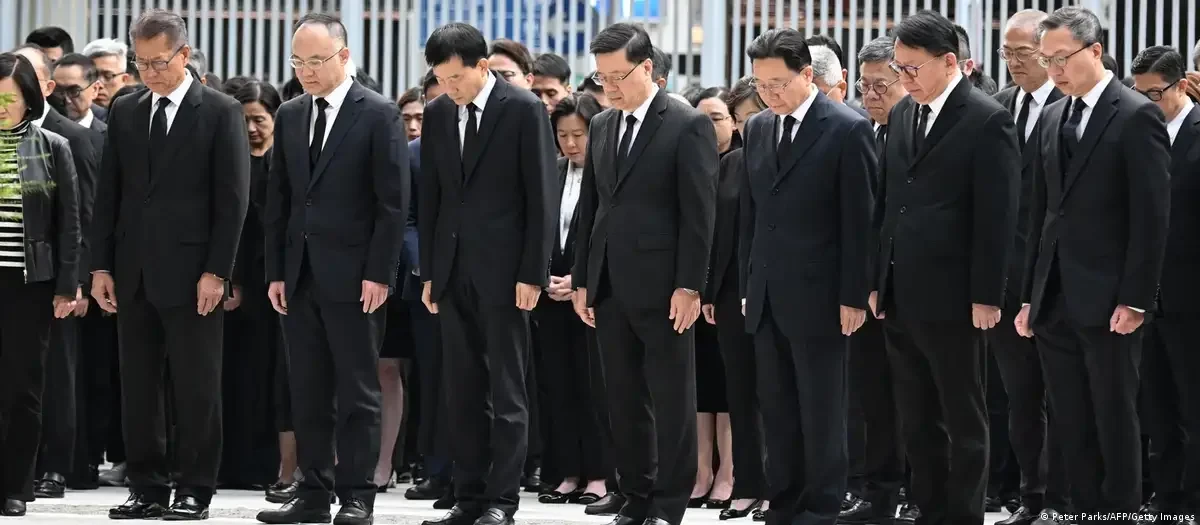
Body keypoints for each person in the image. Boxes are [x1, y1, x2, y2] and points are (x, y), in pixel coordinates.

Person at [88, 9, 251, 520]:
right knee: (138, 387)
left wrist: (217, 271)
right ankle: (147, 486)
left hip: (194, 273)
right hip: (132, 270)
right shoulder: (127, 109)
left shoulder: (221, 110)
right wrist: (100, 267)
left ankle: (195, 489)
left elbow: (232, 200)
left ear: (184, 54)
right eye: (140, 63)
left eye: (159, 62)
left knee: (196, 387)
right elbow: (109, 194)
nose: (150, 73)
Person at [1014, 7, 1171, 521]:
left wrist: (1136, 299)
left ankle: (1119, 511)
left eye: (1063, 58)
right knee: (1069, 418)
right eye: (1047, 60)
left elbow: (1151, 217)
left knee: (1114, 415)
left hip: (1110, 299)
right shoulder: (1053, 115)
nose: (1055, 70)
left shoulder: (1135, 114)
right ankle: (1082, 510)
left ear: (1096, 51)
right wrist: (1029, 295)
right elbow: (1040, 214)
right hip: (1055, 296)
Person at [255, 13, 408, 525]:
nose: (306, 71)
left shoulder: (378, 113)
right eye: (297, 62)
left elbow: (392, 202)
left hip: (356, 275)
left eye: (316, 61)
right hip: (299, 275)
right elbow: (280, 200)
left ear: (344, 56)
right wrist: (277, 271)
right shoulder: (291, 113)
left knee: (359, 389)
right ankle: (313, 493)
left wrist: (380, 272)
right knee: (309, 389)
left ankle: (358, 494)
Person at [870, 10, 1020, 525]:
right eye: (899, 67)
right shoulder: (904, 114)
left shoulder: (986, 119)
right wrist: (878, 279)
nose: (904, 78)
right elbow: (888, 202)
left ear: (950, 61)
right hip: (901, 291)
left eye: (912, 68)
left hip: (956, 296)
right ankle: (929, 509)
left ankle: (963, 514)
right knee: (917, 418)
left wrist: (988, 294)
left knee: (963, 417)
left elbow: (998, 217)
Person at [572, 22, 718, 525]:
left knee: (672, 399)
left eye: (619, 75)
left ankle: (668, 504)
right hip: (610, 283)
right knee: (622, 398)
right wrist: (584, 279)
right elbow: (592, 209)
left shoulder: (686, 123)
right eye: (602, 76)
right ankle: (634, 495)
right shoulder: (601, 125)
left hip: (665, 286)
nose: (609, 86)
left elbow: (699, 215)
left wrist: (690, 285)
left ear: (648, 68)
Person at [416, 21, 558, 525]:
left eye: (456, 78)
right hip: (452, 271)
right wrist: (430, 272)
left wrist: (533, 272)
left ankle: (503, 500)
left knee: (507, 391)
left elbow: (540, 195)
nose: (448, 87)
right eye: (440, 78)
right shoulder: (438, 113)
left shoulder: (521, 108)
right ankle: (469, 496)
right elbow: (431, 198)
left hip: (506, 273)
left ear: (481, 66)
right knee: (462, 389)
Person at [740, 28, 875, 525]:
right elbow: (752, 217)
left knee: (821, 410)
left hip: (822, 296)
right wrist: (749, 285)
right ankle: (784, 502)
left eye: (777, 84)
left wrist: (854, 295)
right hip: (767, 294)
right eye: (760, 85)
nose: (768, 94)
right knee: (776, 409)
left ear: (806, 75)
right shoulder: (758, 128)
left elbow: (860, 222)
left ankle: (821, 506)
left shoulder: (846, 128)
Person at [988, 10, 1070, 525]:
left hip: (1057, 277)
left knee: (1063, 397)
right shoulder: (997, 107)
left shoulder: (1072, 105)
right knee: (1018, 398)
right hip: (1004, 277)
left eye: (1024, 52)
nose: (1015, 62)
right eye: (1007, 52)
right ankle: (1031, 495)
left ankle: (1063, 499)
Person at [0, 51, 81, 517]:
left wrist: (67, 286)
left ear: (29, 99)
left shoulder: (52, 146)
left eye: (9, 99)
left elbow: (69, 223)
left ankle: (16, 485)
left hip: (30, 283)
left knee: (23, 388)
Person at [840, 35, 909, 525]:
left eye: (882, 85)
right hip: (866, 291)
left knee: (918, 400)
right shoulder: (862, 133)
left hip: (911, 289)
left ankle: (919, 492)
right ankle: (878, 492)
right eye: (864, 86)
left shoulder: (919, 134)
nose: (871, 95)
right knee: (873, 399)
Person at [533, 92, 611, 507]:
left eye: (579, 134)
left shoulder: (608, 172)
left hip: (591, 295)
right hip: (550, 293)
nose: (570, 143)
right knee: (557, 385)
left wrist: (579, 279)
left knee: (593, 386)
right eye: (562, 135)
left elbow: (604, 235)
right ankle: (568, 471)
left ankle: (600, 473)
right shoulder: (553, 171)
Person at [1133, 44, 1200, 523]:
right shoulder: (1136, 131)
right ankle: (1164, 496)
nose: (1146, 103)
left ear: (1180, 86)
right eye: (1139, 94)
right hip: (1143, 296)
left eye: (1154, 94)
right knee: (1155, 405)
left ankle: (1194, 498)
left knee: (1193, 403)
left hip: (1190, 294)